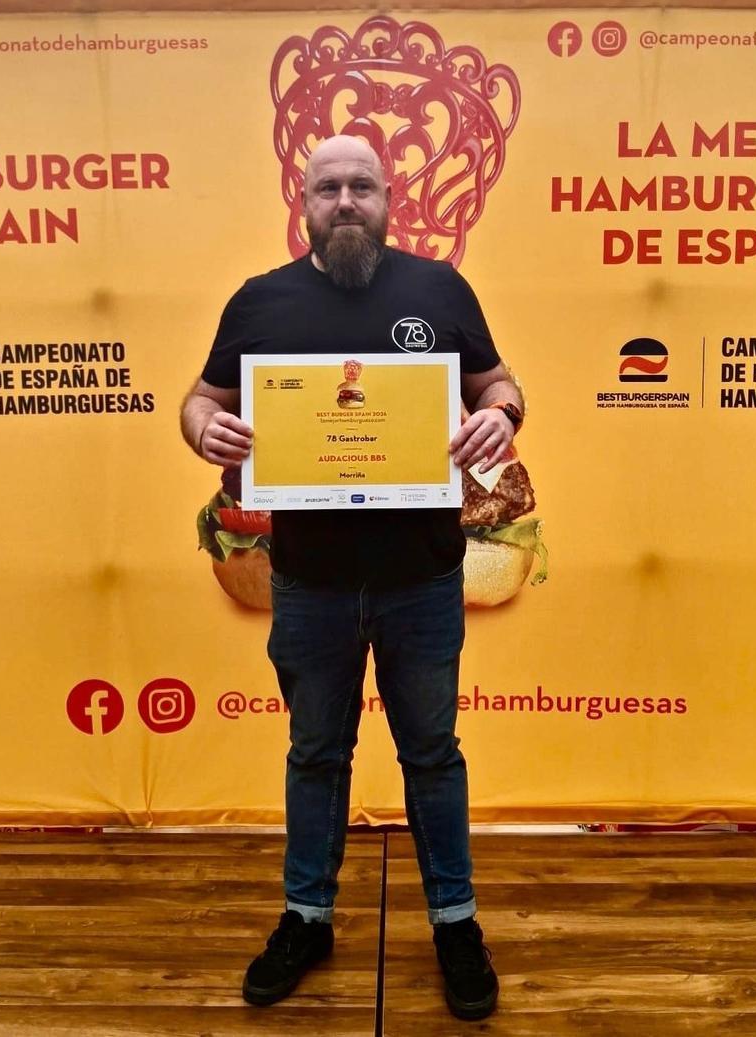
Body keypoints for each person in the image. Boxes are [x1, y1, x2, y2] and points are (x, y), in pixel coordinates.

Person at [180, 134, 523, 1022]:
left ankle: (455, 922)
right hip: (309, 581)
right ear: (302, 199)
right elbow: (201, 398)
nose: (344, 200)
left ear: (388, 197)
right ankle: (307, 916)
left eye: (360, 186)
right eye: (327, 185)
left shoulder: (438, 291)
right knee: (316, 755)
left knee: (432, 757)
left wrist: (501, 416)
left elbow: (500, 382)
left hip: (423, 577)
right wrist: (201, 429)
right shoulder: (261, 302)